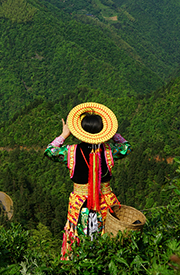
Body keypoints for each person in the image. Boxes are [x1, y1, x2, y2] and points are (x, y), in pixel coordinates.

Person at [44, 102, 131, 259]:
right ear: (102, 131)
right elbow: (126, 147)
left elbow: (50, 151)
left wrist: (64, 135)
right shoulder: (110, 151)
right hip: (105, 203)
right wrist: (114, 135)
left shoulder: (70, 153)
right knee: (106, 237)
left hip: (79, 206)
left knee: (77, 238)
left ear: (80, 130)